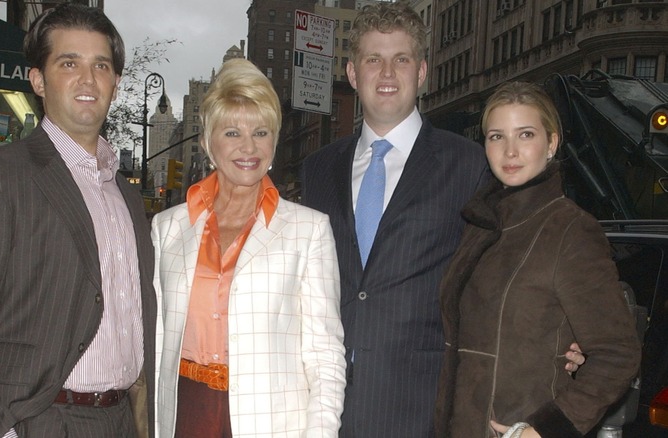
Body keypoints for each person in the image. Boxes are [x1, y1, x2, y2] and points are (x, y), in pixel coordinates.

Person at [301, 3, 586, 437]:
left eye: (402, 59)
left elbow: (515, 261)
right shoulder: (317, 170)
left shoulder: (470, 164)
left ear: (422, 73)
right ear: (353, 74)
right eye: (373, 60)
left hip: (422, 409)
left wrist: (568, 329)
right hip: (319, 408)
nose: (387, 73)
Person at [0, 4, 156, 438]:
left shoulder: (127, 196)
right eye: (69, 63)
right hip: (39, 421)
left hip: (122, 419)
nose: (88, 79)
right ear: (38, 80)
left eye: (100, 65)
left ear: (116, 83)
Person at [434, 81, 641, 438]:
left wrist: (544, 430)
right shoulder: (480, 225)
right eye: (497, 137)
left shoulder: (570, 229)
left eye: (525, 134)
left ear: (552, 143)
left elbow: (617, 354)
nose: (510, 151)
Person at [152, 58, 346, 437]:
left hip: (272, 421)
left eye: (260, 132)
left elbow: (325, 356)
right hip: (186, 411)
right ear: (208, 142)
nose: (248, 147)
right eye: (231, 133)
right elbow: (157, 339)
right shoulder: (168, 228)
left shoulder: (309, 231)